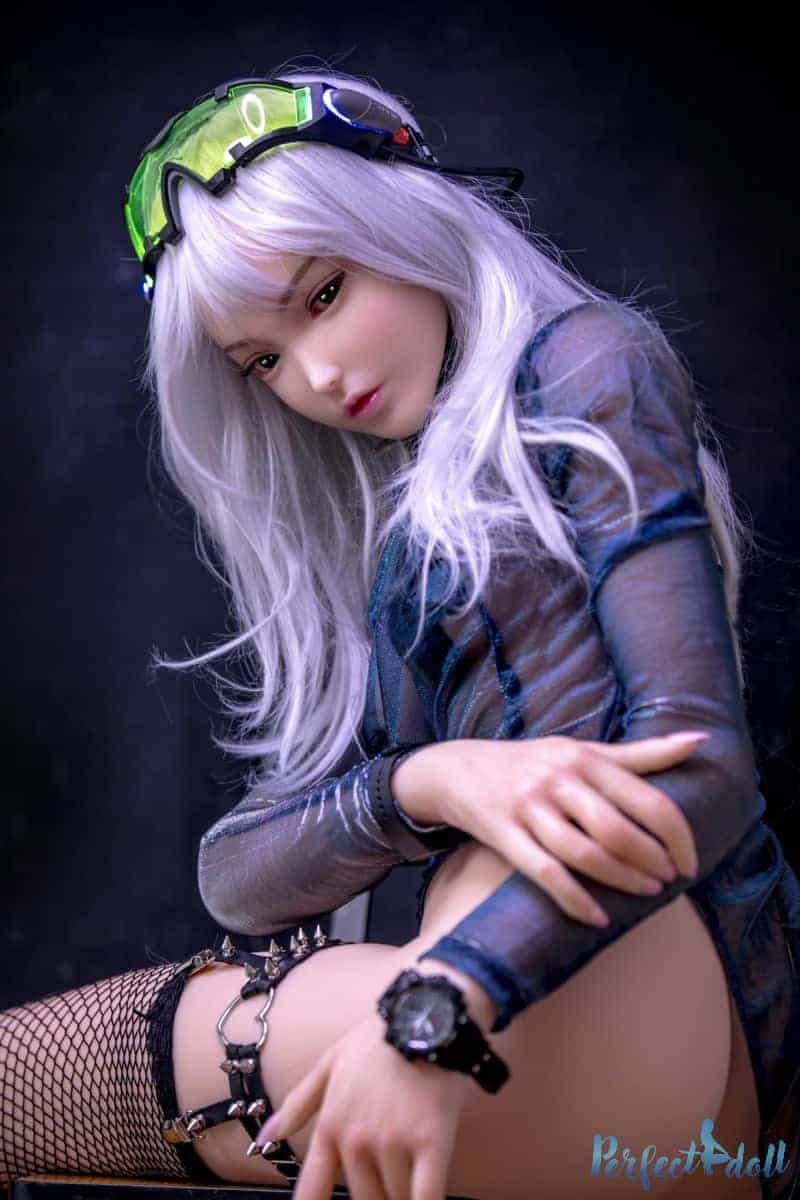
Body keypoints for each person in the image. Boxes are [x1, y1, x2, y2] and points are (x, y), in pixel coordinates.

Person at [2, 64, 799, 1200]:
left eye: (324, 293)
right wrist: (430, 780)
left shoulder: (583, 363)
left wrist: (435, 1009)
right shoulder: (408, 532)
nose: (319, 376)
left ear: (402, 219)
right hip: (590, 1041)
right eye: (262, 361)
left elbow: (704, 773)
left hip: (614, 993)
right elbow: (238, 877)